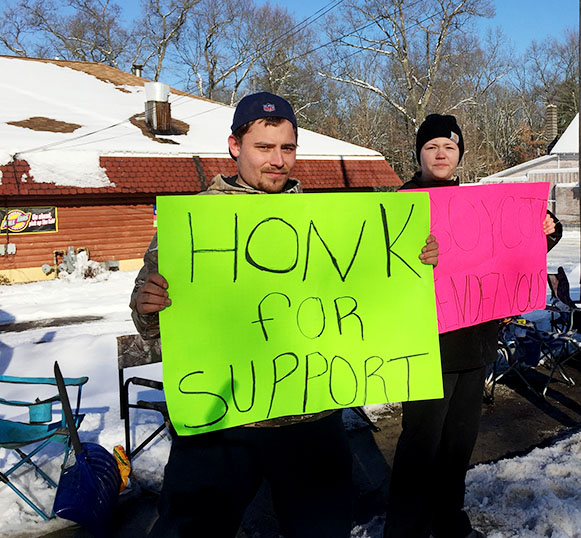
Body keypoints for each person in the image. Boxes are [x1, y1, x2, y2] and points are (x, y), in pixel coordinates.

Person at [130, 92, 439, 538]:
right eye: (264, 147)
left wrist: (414, 257)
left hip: (311, 417)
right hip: (221, 419)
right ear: (235, 146)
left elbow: (371, 293)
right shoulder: (193, 222)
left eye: (287, 148)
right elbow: (150, 325)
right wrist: (147, 307)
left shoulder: (328, 220)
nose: (278, 161)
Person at [383, 114, 562, 538]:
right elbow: (379, 267)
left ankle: (448, 519)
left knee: (459, 443)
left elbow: (514, 246)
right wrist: (411, 258)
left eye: (449, 146)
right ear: (419, 154)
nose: (441, 154)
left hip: (476, 340)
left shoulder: (480, 202)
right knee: (420, 444)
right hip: (425, 345)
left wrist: (548, 229)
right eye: (431, 147)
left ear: (460, 153)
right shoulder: (398, 203)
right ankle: (404, 529)